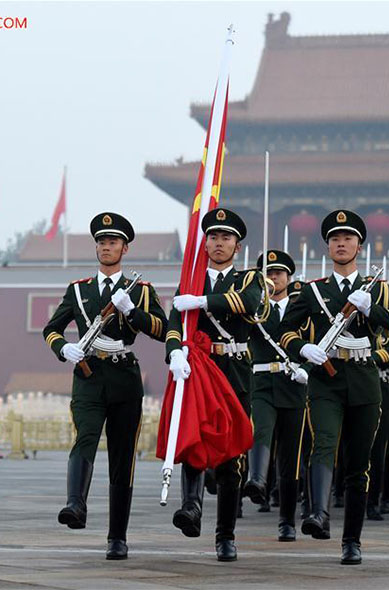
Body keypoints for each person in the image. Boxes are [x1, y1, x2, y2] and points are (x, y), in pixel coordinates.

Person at [278, 209, 389, 565]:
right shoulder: (313, 291)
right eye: (335, 239)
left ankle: (351, 540)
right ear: (327, 247)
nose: (341, 243)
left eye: (348, 238)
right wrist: (301, 347)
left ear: (359, 245)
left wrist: (375, 312)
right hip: (326, 378)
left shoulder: (376, 290)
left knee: (358, 462)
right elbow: (285, 330)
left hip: (364, 378)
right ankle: (318, 513)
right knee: (323, 444)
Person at [43, 212, 167, 560]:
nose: (106, 247)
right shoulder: (78, 290)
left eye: (112, 242)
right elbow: (51, 329)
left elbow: (164, 329)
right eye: (101, 242)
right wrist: (62, 347)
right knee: (84, 436)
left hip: (124, 376)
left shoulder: (139, 291)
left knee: (122, 456)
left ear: (124, 248)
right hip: (88, 375)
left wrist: (133, 312)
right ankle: (75, 505)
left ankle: (117, 537)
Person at [165, 208, 264, 562]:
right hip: (198, 369)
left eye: (226, 238)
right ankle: (190, 508)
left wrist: (204, 301)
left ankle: (226, 535)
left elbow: (250, 304)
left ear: (237, 247)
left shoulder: (249, 279)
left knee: (229, 455)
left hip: (234, 370)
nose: (218, 243)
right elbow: (175, 320)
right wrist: (174, 352)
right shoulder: (190, 281)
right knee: (194, 439)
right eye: (213, 237)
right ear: (204, 243)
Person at [243, 250, 309, 542]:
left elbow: (314, 342)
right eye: (268, 273)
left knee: (290, 459)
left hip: (294, 386)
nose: (273, 278)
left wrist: (305, 367)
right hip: (262, 382)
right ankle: (256, 479)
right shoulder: (254, 309)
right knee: (260, 430)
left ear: (288, 277)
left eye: (278, 273)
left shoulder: (301, 310)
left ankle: (287, 521)